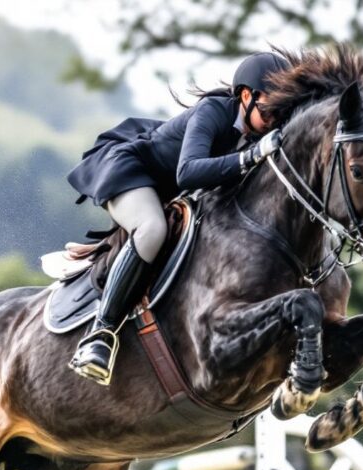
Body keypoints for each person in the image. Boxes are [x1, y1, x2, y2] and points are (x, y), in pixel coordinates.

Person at [66, 52, 290, 385]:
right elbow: (187, 172)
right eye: (270, 110)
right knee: (152, 229)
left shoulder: (256, 132)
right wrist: (251, 156)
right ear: (246, 96)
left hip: (169, 193)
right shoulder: (213, 112)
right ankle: (101, 334)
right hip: (131, 172)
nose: (274, 120)